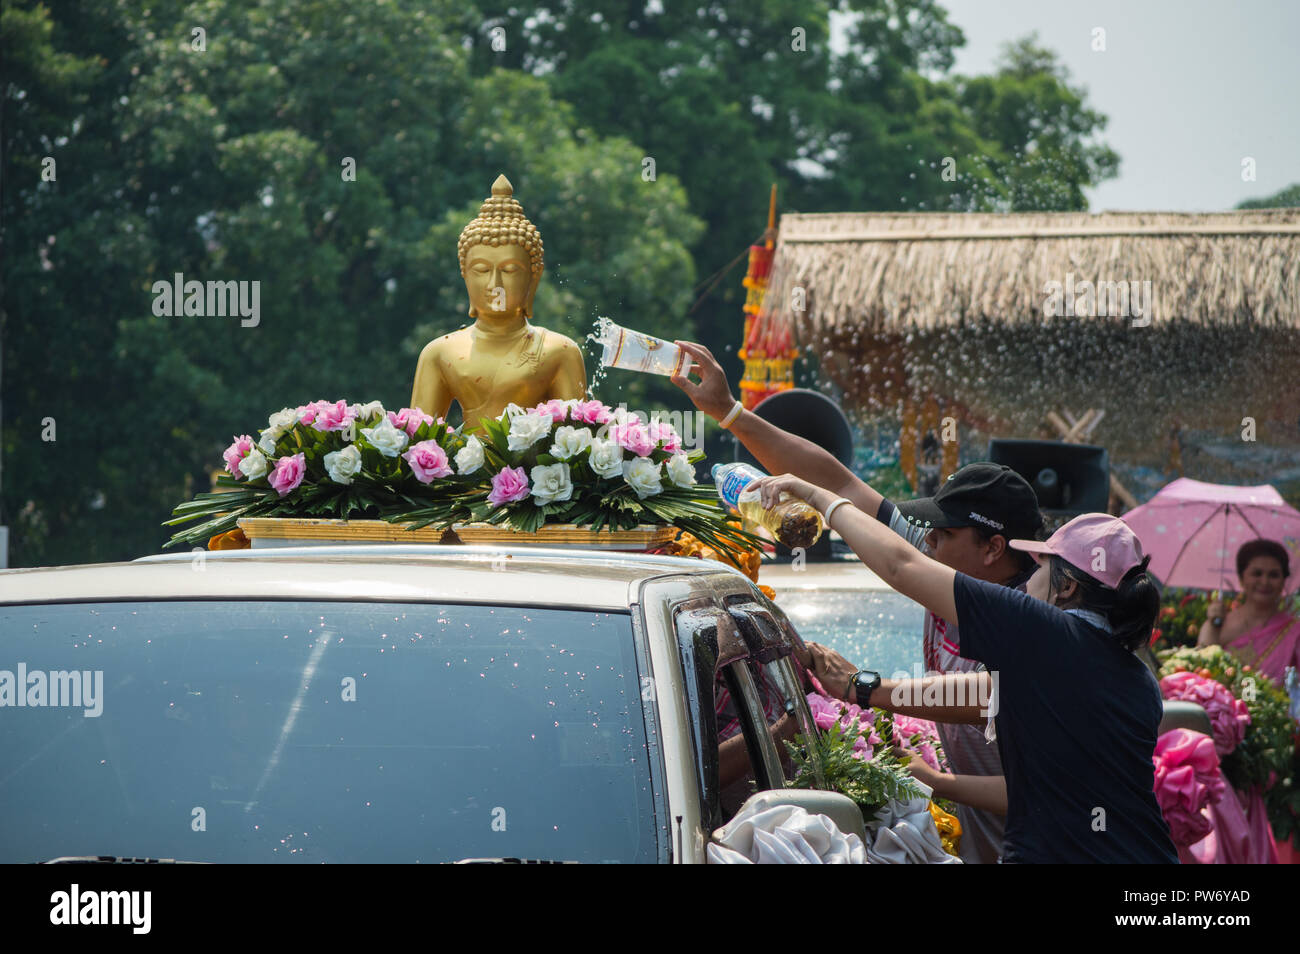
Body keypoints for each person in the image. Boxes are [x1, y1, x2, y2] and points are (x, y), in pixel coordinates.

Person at [671, 340, 1043, 863]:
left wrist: (864, 690)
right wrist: (730, 413)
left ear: (994, 549)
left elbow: (992, 695)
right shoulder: (949, 564)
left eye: (943, 532)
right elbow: (842, 481)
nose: (926, 542)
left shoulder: (1038, 620)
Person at [751, 473, 1180, 863]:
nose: (1030, 576)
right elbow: (1014, 753)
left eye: (1042, 566)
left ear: (1066, 587)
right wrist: (866, 692)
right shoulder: (1136, 679)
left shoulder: (1042, 631)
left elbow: (903, 567)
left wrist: (819, 497)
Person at [1198, 538, 1299, 683]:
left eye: (1274, 575)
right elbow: (1202, 668)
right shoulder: (1220, 623)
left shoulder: (1294, 631)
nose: (1265, 582)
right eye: (1257, 574)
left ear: (1284, 580)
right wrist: (1213, 623)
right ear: (1241, 578)